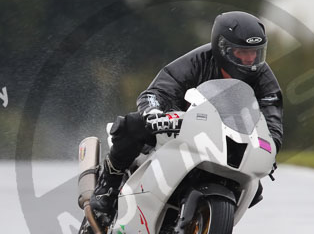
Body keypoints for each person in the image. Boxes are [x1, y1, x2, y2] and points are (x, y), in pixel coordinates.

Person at [90, 11, 284, 223]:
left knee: (255, 190)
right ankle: (108, 183)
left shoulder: (263, 76)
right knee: (132, 125)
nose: (250, 59)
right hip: (179, 125)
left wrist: (271, 147)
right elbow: (156, 92)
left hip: (226, 136)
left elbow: (272, 117)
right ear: (222, 48)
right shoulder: (196, 61)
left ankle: (204, 221)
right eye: (242, 52)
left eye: (255, 52)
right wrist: (154, 114)